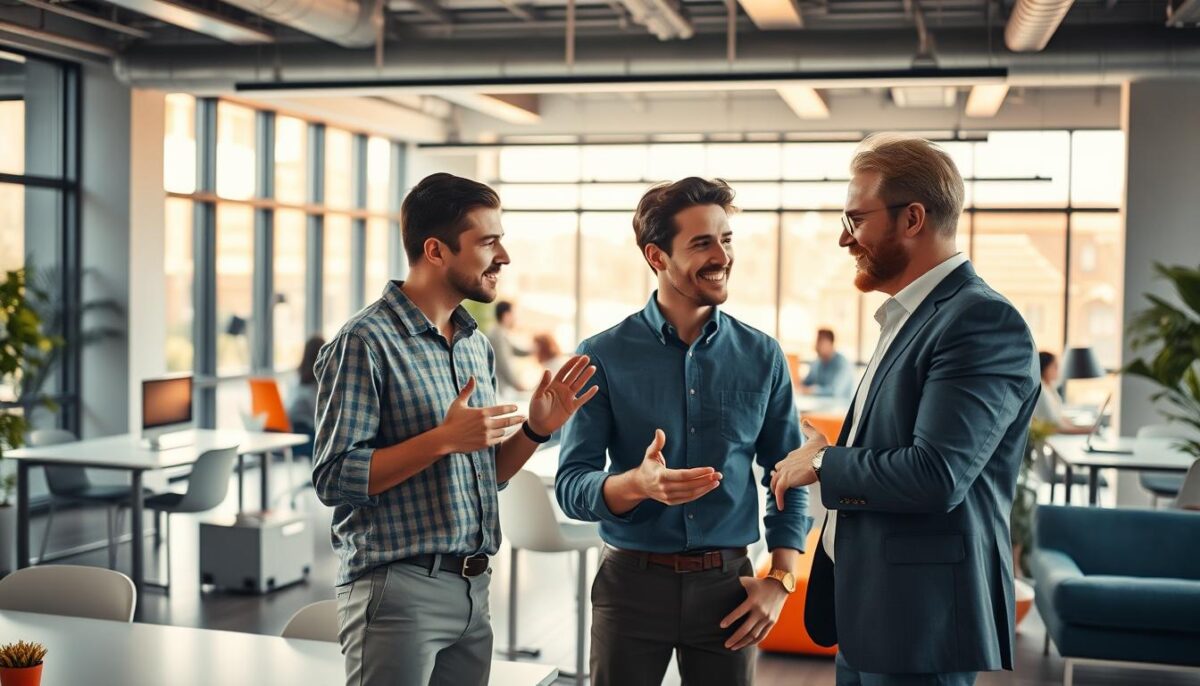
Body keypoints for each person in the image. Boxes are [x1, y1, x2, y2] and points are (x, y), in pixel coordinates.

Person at [770, 135, 1040, 686]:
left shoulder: (979, 322)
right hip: (873, 610)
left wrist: (822, 464)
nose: (844, 239)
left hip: (921, 624)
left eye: (856, 219)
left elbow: (936, 475)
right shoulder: (911, 316)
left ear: (912, 218)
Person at [311, 172, 599, 686]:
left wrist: (535, 431)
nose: (503, 256)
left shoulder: (473, 344)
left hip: (474, 588)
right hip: (398, 588)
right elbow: (333, 478)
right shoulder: (364, 342)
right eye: (488, 242)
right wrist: (441, 439)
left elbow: (486, 476)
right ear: (436, 251)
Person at [556, 177, 810, 686]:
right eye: (702, 243)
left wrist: (780, 579)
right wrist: (635, 485)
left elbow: (788, 474)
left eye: (726, 239)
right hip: (630, 587)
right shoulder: (602, 355)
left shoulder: (762, 355)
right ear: (657, 256)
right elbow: (571, 485)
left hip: (729, 588)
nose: (723, 256)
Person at [1034, 351, 1091, 434]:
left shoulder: (1050, 387)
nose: (1058, 370)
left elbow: (1059, 417)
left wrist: (1082, 427)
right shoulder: (1041, 391)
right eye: (1055, 366)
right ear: (1045, 368)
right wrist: (1083, 431)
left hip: (1057, 432)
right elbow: (1054, 425)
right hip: (1051, 436)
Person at [487, 300, 532, 397]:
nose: (515, 318)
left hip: (500, 388)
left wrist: (532, 351)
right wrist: (517, 384)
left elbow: (514, 349)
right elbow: (504, 363)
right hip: (499, 389)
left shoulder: (499, 332)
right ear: (506, 315)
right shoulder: (497, 335)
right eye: (513, 314)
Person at [798, 328, 855, 400]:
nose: (816, 346)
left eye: (819, 342)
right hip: (820, 405)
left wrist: (813, 390)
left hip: (840, 406)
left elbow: (835, 391)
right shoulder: (817, 363)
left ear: (830, 343)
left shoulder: (842, 364)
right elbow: (805, 383)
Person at [287, 334, 325, 435]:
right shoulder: (317, 382)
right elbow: (318, 416)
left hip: (289, 429)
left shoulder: (295, 377)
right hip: (309, 432)